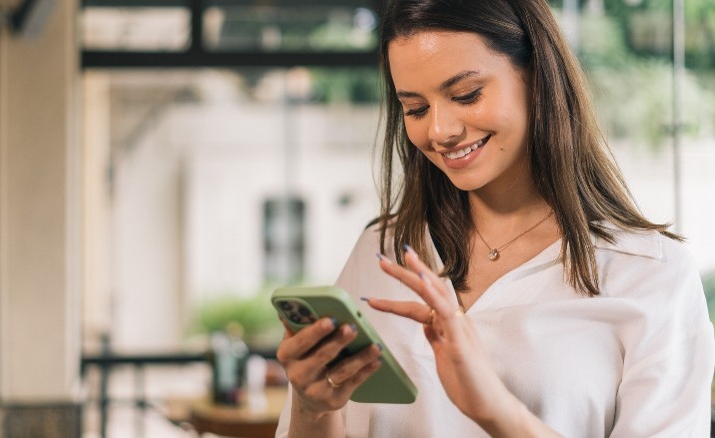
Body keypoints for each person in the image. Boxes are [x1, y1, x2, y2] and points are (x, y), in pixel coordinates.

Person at [274, 0, 715, 436]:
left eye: (466, 94)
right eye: (416, 108)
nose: (440, 131)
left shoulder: (651, 275)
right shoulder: (382, 250)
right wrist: (314, 410)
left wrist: (499, 412)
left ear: (537, 77)